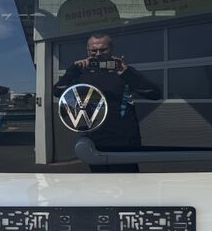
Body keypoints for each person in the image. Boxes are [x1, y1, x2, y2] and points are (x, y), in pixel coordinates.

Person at [54, 33, 162, 169]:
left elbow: (154, 94)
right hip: (95, 139)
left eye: (103, 50)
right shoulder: (81, 73)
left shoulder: (123, 72)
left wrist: (126, 73)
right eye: (94, 50)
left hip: (124, 140)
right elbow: (57, 91)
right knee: (100, 180)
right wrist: (72, 71)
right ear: (87, 51)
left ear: (111, 49)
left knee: (128, 179)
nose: (98, 54)